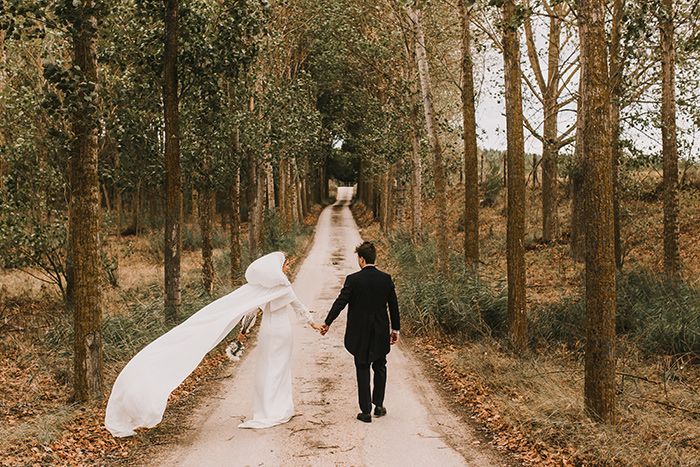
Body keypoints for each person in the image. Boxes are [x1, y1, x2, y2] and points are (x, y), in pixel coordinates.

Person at [105, 252, 322, 437]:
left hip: (269, 333)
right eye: (285, 265)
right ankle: (279, 409)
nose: (286, 268)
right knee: (279, 370)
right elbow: (300, 308)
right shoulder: (284, 287)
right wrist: (315, 325)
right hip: (282, 333)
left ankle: (269, 409)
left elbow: (249, 313)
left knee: (268, 371)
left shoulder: (262, 290)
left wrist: (242, 335)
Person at [321, 241, 400, 423]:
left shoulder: (353, 280)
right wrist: (395, 329)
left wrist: (328, 322)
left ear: (362, 260)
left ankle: (365, 411)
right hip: (380, 330)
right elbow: (393, 307)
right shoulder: (386, 279)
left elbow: (340, 303)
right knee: (380, 366)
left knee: (362, 367)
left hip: (360, 332)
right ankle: (379, 406)